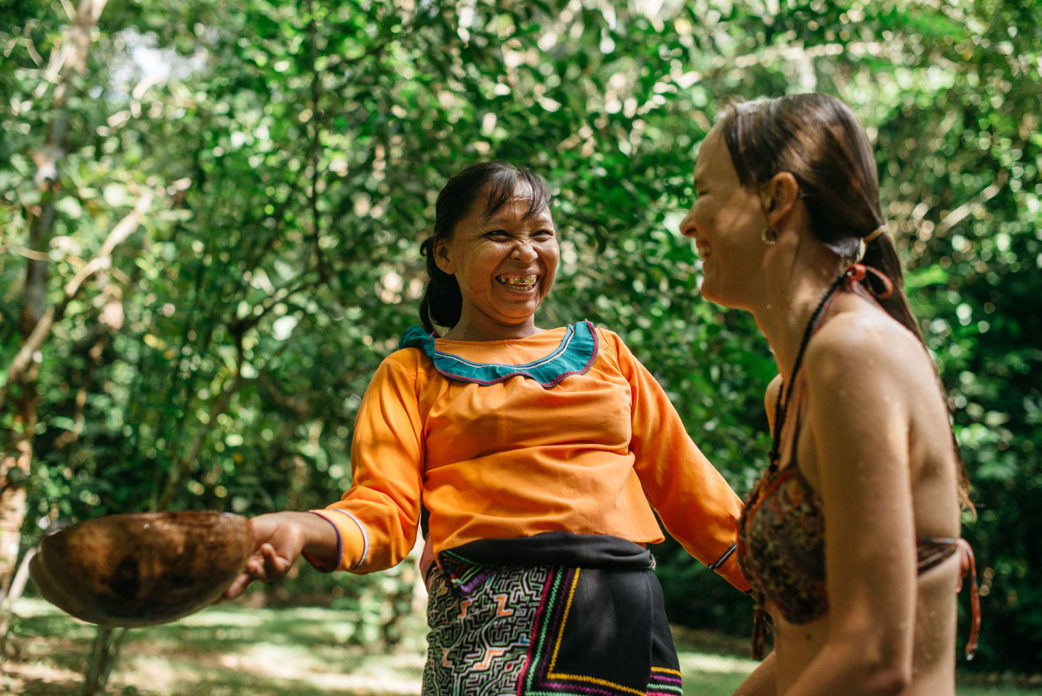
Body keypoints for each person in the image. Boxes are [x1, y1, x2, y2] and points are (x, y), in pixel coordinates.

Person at [223, 160, 751, 694]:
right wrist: (307, 528)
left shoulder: (606, 353)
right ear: (444, 253)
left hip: (627, 623)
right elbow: (381, 510)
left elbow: (692, 491)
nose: (525, 252)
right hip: (488, 626)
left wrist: (788, 587)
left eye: (541, 233)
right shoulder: (410, 374)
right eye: (499, 234)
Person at [677, 93, 980, 696]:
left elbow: (874, 659)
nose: (689, 221)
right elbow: (805, 650)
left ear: (777, 199)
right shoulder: (787, 391)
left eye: (704, 193)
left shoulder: (854, 355)